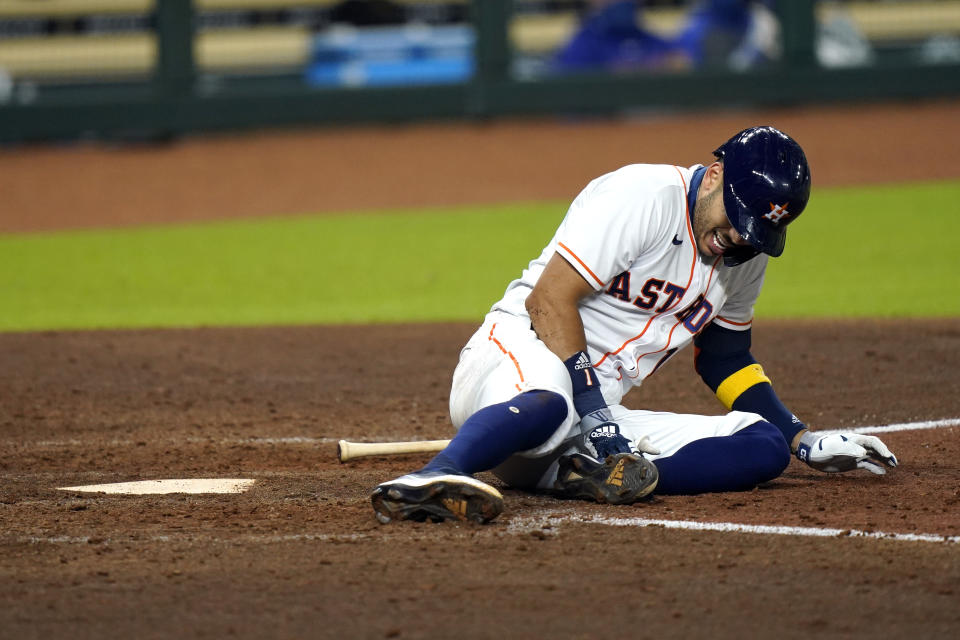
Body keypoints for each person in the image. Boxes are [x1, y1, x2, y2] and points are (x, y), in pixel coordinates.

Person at [370, 126, 898, 524]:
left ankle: (601, 480)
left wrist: (802, 439)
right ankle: (432, 476)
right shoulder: (643, 195)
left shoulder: (746, 255)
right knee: (551, 403)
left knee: (762, 447)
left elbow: (725, 359)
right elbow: (549, 300)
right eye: (736, 219)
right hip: (514, 367)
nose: (738, 238)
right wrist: (597, 413)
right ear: (714, 174)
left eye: (754, 232)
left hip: (580, 433)